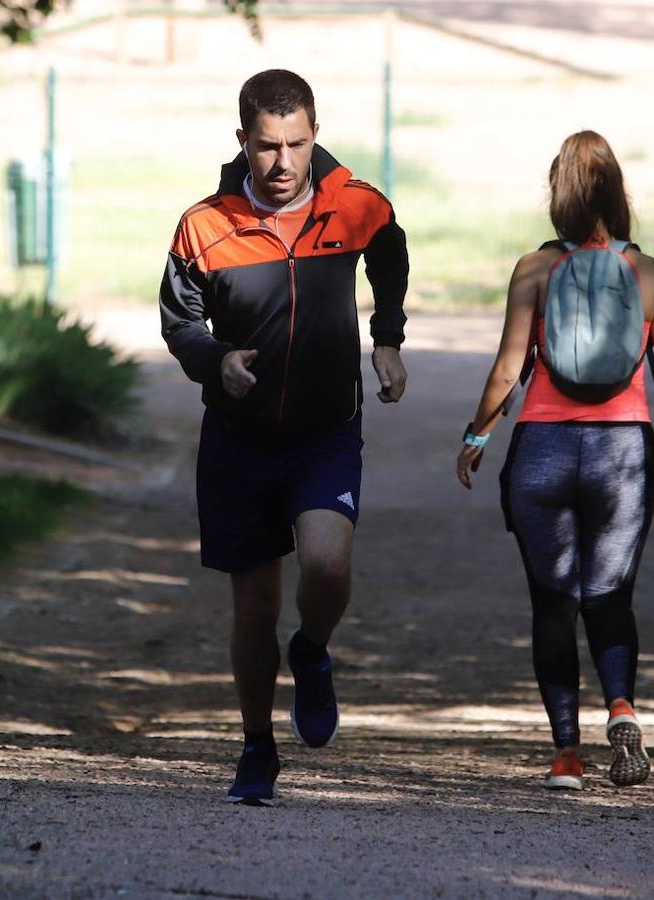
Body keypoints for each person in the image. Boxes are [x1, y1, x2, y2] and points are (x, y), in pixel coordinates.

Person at [160, 69, 409, 805]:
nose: (282, 163)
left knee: (326, 568)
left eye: (297, 144)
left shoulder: (355, 204)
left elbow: (389, 254)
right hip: (239, 441)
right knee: (255, 607)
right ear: (242, 140)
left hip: (324, 433)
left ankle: (313, 650)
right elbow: (179, 323)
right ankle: (256, 748)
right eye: (267, 146)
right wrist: (215, 360)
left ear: (314, 135)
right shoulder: (203, 224)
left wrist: (387, 337)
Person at [457, 131, 654, 790]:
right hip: (621, 451)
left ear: (557, 195)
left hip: (541, 447)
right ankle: (621, 707)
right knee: (609, 595)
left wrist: (478, 436)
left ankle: (565, 753)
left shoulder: (534, 270)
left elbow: (509, 368)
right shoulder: (647, 273)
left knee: (552, 603)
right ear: (616, 193)